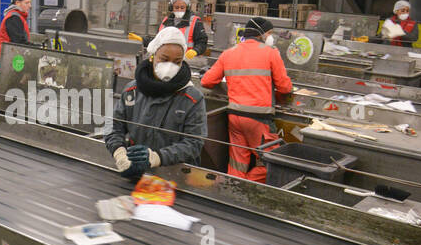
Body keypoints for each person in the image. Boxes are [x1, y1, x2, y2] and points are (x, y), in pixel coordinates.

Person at [105, 27, 207, 179]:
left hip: (176, 177)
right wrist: (120, 153)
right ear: (153, 56)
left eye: (177, 62)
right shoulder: (132, 90)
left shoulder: (192, 98)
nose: (170, 66)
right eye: (164, 59)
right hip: (138, 173)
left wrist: (157, 157)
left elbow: (194, 143)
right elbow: (115, 127)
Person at [200, 16, 292, 181]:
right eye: (269, 33)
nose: (270, 37)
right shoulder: (271, 53)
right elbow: (285, 88)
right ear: (261, 34)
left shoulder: (228, 53)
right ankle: (248, 186)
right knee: (269, 163)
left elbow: (206, 81)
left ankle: (233, 190)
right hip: (259, 118)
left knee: (237, 163)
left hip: (235, 117)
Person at [0, 0, 32, 78]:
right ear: (17, 3)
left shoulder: (18, 16)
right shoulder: (13, 18)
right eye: (27, 3)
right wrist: (37, 48)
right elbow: (19, 42)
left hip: (13, 59)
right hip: (9, 61)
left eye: (30, 3)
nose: (30, 6)